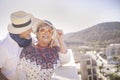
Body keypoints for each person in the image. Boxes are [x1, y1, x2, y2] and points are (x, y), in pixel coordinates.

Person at [0, 11, 40, 80]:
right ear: (19, 31)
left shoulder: (30, 39)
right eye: (28, 29)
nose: (31, 30)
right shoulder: (3, 47)